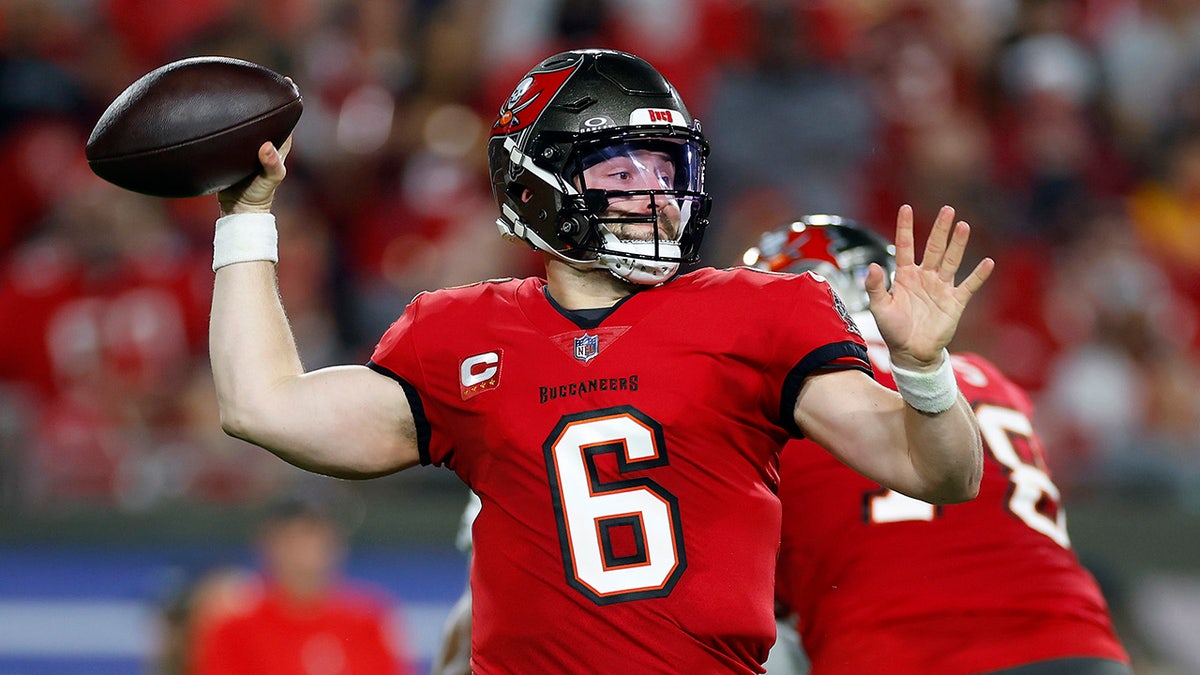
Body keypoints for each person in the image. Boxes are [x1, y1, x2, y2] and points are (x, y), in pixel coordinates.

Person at [208, 48, 993, 672]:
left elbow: (943, 475)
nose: (654, 193)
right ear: (536, 182)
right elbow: (262, 405)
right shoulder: (461, 333)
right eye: (621, 170)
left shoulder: (758, 309)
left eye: (666, 168)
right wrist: (247, 219)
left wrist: (924, 371)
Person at [744, 215, 1131, 675]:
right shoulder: (987, 377)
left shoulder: (775, 400)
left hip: (899, 652)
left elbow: (755, 595)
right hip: (1076, 646)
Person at [189, 498, 414, 675]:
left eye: (314, 536)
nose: (306, 552)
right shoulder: (233, 627)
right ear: (268, 545)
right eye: (293, 539)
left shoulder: (370, 618)